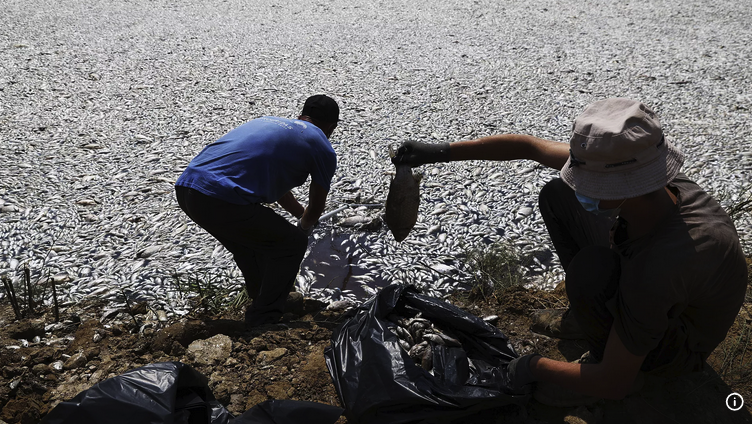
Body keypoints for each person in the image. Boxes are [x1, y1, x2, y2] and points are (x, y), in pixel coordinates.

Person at [391, 98, 747, 405]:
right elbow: (527, 147)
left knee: (590, 272)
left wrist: (532, 366)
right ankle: (596, 320)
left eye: (591, 184)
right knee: (558, 194)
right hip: (659, 291)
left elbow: (615, 382)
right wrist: (437, 152)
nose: (583, 188)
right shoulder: (652, 182)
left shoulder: (661, 267)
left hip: (677, 349)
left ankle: (617, 356)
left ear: (623, 185)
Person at [175, 95, 340, 327]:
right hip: (220, 199)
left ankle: (262, 299)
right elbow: (316, 207)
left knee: (249, 247)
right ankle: (264, 319)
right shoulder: (322, 146)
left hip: (187, 189)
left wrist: (297, 214)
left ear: (302, 115)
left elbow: (280, 190)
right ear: (332, 126)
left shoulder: (270, 122)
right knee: (291, 244)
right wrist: (303, 227)